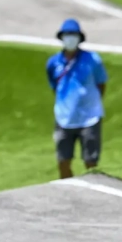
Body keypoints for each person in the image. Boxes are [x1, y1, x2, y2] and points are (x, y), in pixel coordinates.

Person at [46, 19, 108, 179]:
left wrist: (91, 103)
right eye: (67, 35)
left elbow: (101, 83)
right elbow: (55, 86)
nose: (70, 38)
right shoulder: (53, 63)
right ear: (62, 37)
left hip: (89, 118)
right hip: (64, 118)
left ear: (79, 37)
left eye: (73, 34)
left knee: (91, 161)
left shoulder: (93, 60)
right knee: (63, 161)